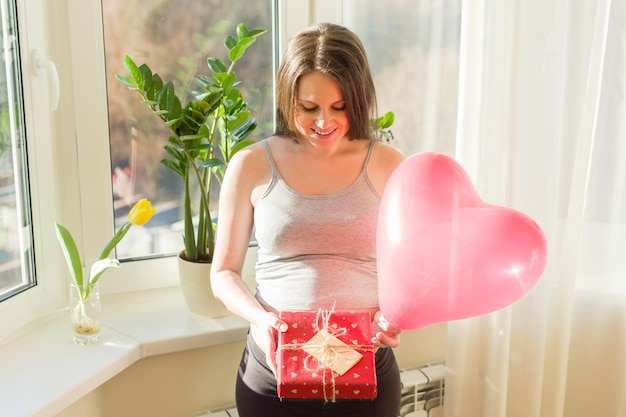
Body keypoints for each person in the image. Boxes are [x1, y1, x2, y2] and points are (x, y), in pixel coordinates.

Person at [210, 22, 406, 417]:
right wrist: (261, 319)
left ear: (359, 98)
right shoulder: (250, 166)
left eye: (339, 107)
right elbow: (223, 274)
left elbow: (412, 270)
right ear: (288, 99)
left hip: (366, 373)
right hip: (272, 380)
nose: (323, 122)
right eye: (308, 107)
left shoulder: (389, 165)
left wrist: (393, 316)